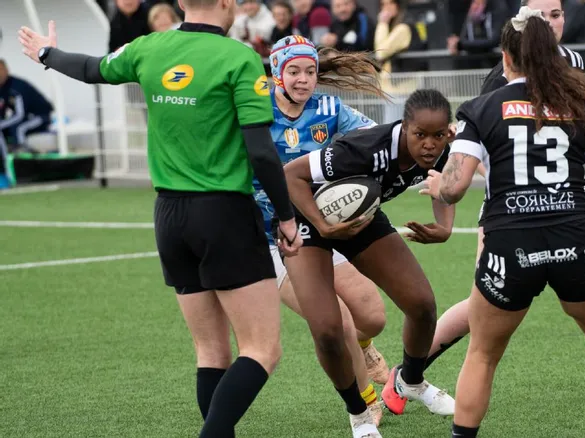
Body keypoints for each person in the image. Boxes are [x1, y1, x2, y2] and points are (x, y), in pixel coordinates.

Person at [18, 0, 303, 436]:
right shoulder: (239, 57)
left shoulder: (149, 47)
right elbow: (262, 152)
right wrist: (286, 217)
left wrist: (46, 54)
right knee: (263, 349)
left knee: (211, 352)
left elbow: (93, 68)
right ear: (227, 3)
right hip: (223, 212)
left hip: (169, 217)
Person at [382, 0, 585, 413]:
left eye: (557, 14)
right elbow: (488, 145)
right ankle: (407, 374)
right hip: (509, 205)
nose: (550, 22)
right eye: (541, 15)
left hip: (568, 199)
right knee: (482, 307)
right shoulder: (504, 78)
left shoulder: (572, 60)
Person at [283, 88, 457, 437]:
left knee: (422, 305)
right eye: (420, 135)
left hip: (361, 219)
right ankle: (359, 414)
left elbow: (445, 182)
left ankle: (410, 381)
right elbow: (290, 175)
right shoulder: (366, 147)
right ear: (404, 127)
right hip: (310, 222)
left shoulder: (439, 151)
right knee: (329, 330)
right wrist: (322, 223)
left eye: (438, 136)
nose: (429, 144)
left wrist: (445, 227)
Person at [256, 36, 391, 423]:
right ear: (277, 73)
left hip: (318, 227)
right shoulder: (255, 112)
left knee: (372, 317)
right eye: (294, 71)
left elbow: (375, 139)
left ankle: (364, 349)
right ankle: (364, 401)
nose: (303, 79)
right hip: (272, 241)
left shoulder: (329, 109)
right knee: (340, 323)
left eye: (311, 71)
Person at [0, 59, 53, 153]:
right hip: (26, 117)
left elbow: (20, 115)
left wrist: (2, 124)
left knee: (18, 128)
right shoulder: (2, 88)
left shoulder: (16, 87)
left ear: (6, 70)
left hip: (40, 116)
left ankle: (21, 156)